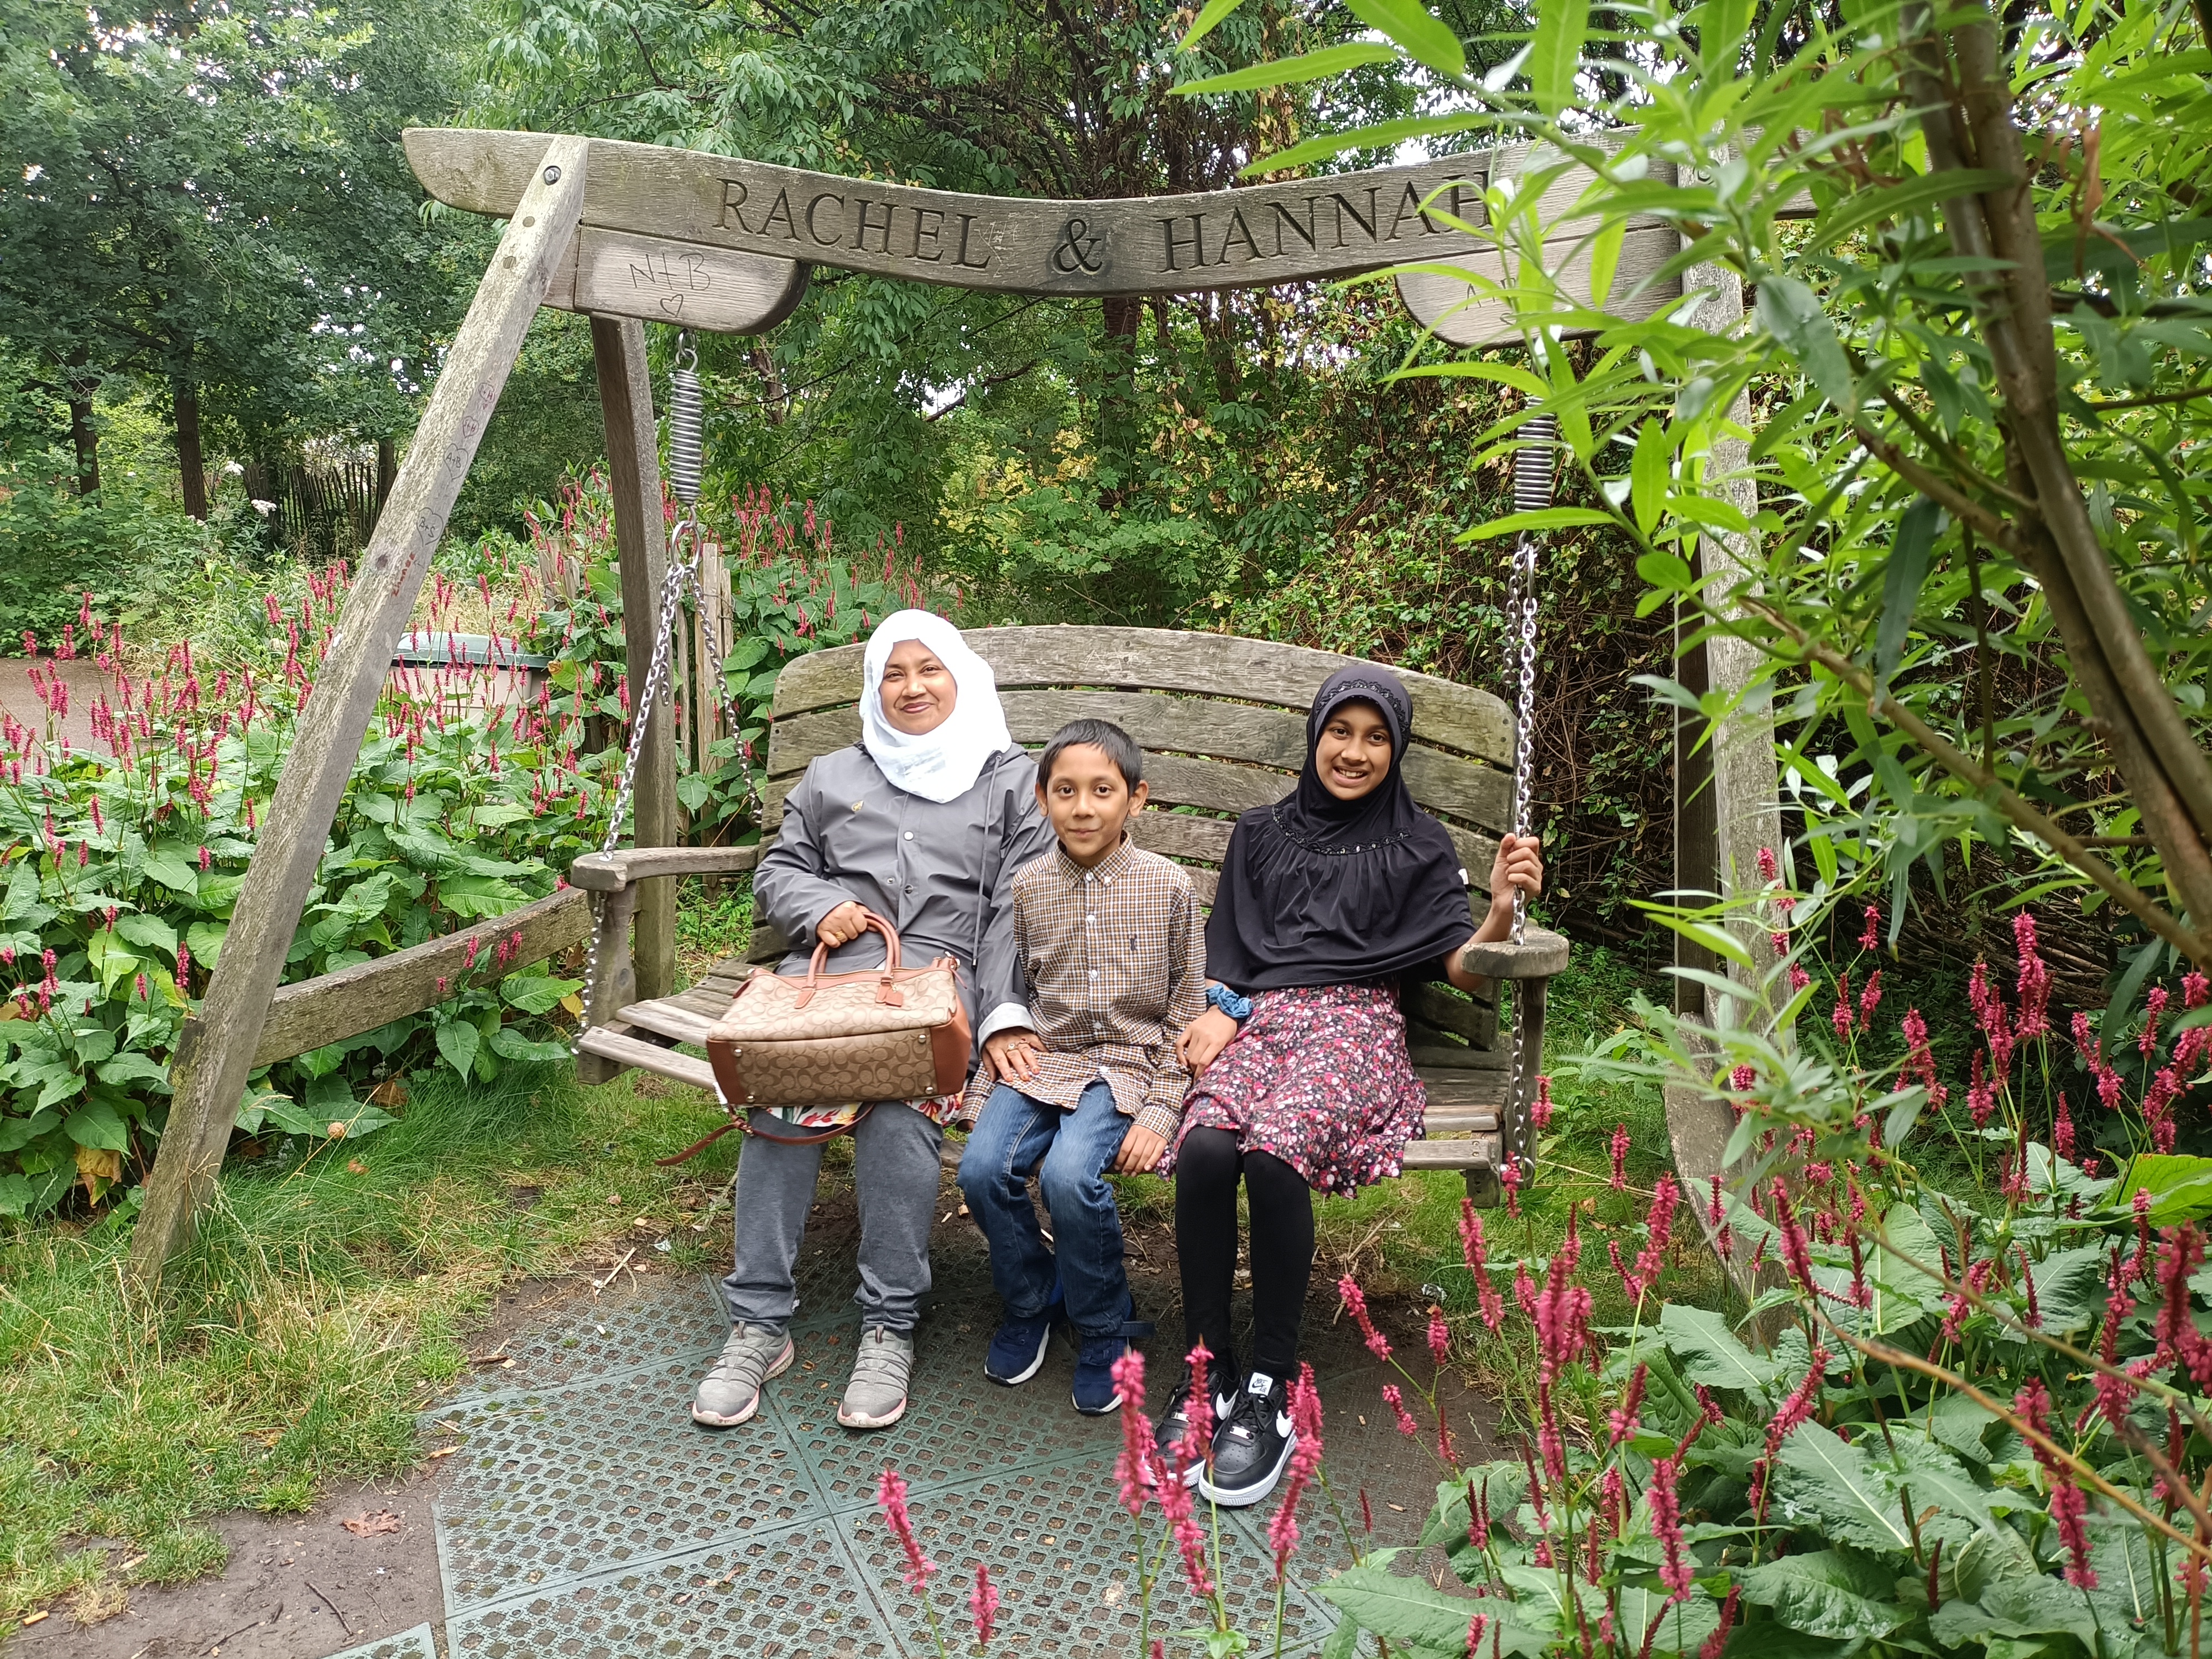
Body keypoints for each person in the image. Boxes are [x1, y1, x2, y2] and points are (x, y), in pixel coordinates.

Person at [1157, 666, 1545, 1506]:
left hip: (1356, 1029)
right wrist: (1226, 1011)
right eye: (1342, 732)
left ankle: (1269, 1384)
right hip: (1263, 1022)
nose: (1356, 752)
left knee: (1275, 1153)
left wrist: (1504, 908)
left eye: (1376, 738)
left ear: (1396, 749)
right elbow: (1230, 949)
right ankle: (1206, 1369)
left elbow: (1464, 971)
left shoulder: (1418, 845)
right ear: (1316, 735)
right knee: (1206, 1150)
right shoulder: (1261, 833)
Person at [690, 611, 1054, 1433]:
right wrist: (821, 905)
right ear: (874, 688)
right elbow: (780, 870)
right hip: (827, 985)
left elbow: (1013, 911)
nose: (913, 687)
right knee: (781, 1101)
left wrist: (999, 1015)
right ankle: (759, 1321)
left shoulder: (1007, 782)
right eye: (894, 673)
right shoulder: (830, 777)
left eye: (930, 670)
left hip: (936, 988)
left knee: (897, 1111)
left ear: (962, 678)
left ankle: (889, 1324)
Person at [956, 718, 1207, 1414]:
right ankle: (1034, 1298)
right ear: (1042, 800)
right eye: (1065, 790)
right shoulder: (1030, 887)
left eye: (1103, 790)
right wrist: (987, 1082)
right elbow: (1020, 991)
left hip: (1129, 1065)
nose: (1084, 806)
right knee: (981, 1168)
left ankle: (1103, 1324)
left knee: (1070, 1178)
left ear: (1137, 798)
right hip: (1050, 1057)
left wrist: (1161, 1109)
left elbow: (1186, 1010)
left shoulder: (1168, 886)